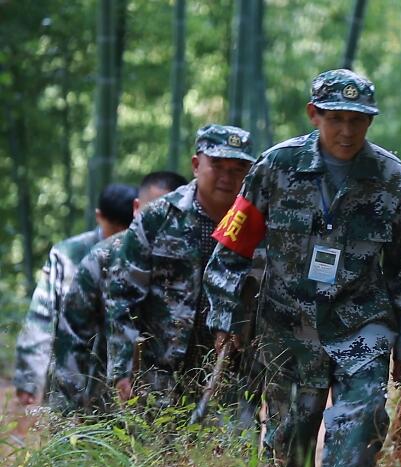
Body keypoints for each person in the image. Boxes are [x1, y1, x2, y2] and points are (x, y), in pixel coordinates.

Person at [204, 69, 401, 467]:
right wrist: (224, 316)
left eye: (357, 120)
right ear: (314, 114)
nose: (346, 131)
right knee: (289, 456)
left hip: (361, 326)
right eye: (336, 119)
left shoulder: (391, 177)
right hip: (287, 330)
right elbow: (233, 248)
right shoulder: (275, 167)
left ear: (370, 122)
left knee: (357, 435)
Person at [105, 125, 255, 405]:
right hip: (158, 372)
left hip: (229, 374)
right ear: (197, 165)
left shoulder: (256, 225)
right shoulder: (157, 218)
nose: (227, 176)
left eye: (238, 169)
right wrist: (121, 368)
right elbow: (122, 295)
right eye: (218, 165)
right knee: (155, 448)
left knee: (222, 449)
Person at [51, 171, 188, 412]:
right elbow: (72, 336)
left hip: (184, 408)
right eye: (153, 210)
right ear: (137, 208)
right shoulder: (105, 256)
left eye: (170, 214)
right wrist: (68, 412)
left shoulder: (202, 259)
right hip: (108, 406)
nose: (160, 221)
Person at [13, 183, 139, 407]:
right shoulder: (67, 254)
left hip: (123, 374)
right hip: (71, 369)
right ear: (99, 217)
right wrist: (28, 378)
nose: (120, 236)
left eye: (126, 228)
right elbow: (42, 315)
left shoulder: (144, 252)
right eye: (115, 228)